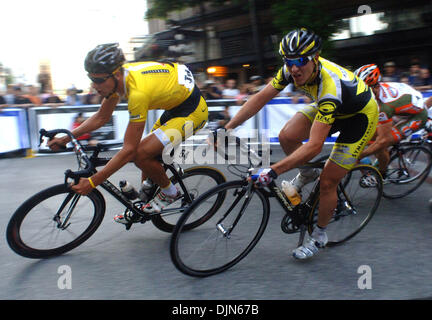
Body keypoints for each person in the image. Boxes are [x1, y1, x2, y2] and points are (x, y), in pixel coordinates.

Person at [223, 28, 379, 260]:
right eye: (289, 61)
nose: (294, 68)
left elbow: (315, 145)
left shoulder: (330, 85)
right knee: (287, 136)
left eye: (301, 61)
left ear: (315, 58)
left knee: (328, 181)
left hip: (359, 117)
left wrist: (273, 170)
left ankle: (319, 236)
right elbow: (259, 98)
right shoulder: (289, 70)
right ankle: (306, 175)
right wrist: (227, 127)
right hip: (334, 107)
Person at [47, 43, 208, 224]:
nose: (94, 86)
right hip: (175, 107)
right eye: (91, 79)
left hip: (193, 113)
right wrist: (66, 138)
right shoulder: (118, 81)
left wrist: (92, 182)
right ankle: (145, 200)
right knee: (145, 157)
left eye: (98, 80)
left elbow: (129, 150)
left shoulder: (137, 93)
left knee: (139, 154)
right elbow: (101, 117)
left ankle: (171, 192)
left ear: (116, 74)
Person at [354, 64, 428, 178]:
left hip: (417, 116)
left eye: (365, 90)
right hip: (402, 108)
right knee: (368, 135)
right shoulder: (377, 90)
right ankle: (380, 160)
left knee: (382, 144)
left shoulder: (385, 105)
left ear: (375, 86)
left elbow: (383, 140)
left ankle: (381, 174)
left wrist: (359, 156)